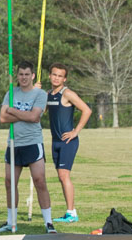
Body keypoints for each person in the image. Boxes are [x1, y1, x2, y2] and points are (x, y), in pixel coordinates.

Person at [0, 60, 53, 234]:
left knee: (39, 181)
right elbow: (3, 118)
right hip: (14, 143)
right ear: (17, 76)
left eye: (27, 74)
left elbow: (35, 117)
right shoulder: (11, 93)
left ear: (33, 75)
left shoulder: (40, 94)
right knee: (10, 182)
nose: (24, 77)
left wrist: (13, 111)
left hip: (33, 143)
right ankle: (11, 222)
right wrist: (22, 115)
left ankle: (48, 223)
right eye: (21, 74)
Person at [46, 63, 91, 223]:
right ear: (49, 76)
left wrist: (75, 131)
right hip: (55, 141)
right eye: (54, 74)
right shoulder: (48, 94)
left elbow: (87, 110)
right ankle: (69, 211)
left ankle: (72, 213)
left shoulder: (67, 94)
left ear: (64, 79)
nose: (56, 78)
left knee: (64, 175)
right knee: (61, 176)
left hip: (68, 141)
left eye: (60, 76)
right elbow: (40, 111)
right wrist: (36, 92)